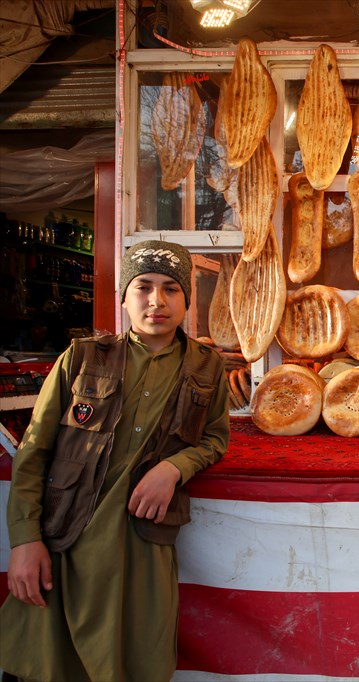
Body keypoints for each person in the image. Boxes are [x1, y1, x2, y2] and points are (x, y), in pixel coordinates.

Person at [1, 240, 230, 681]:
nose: (157, 301)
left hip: (141, 552)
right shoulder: (83, 358)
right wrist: (25, 541)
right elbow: (34, 451)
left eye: (171, 289)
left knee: (133, 664)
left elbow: (215, 438)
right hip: (65, 541)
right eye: (143, 287)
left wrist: (174, 467)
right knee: (48, 665)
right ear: (124, 297)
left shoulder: (206, 367)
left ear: (187, 299)